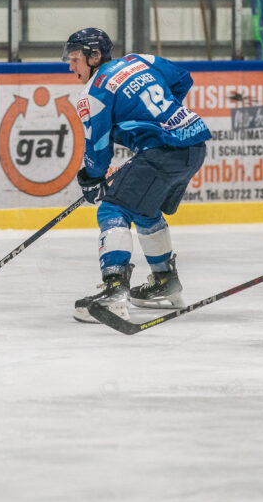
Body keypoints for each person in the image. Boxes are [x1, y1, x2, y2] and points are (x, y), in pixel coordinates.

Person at [62, 27, 212, 323]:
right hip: (194, 144)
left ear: (94, 57)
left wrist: (91, 180)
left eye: (76, 59)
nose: (71, 66)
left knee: (113, 208)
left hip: (163, 151)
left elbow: (98, 152)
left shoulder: (92, 94)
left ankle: (114, 291)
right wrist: (162, 119)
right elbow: (183, 78)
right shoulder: (139, 60)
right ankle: (164, 283)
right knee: (145, 210)